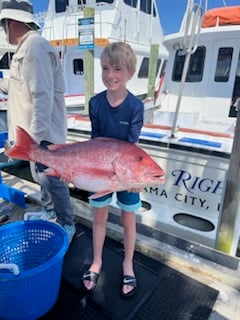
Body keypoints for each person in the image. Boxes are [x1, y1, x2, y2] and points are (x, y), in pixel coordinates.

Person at [0, 0, 76, 242]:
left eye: (3, 24)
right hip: (36, 134)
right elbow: (16, 86)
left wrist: (34, 139)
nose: (3, 29)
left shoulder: (35, 48)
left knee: (51, 178)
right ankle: (50, 211)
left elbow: (41, 96)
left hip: (42, 134)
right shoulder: (28, 48)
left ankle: (67, 223)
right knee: (42, 176)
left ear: (11, 22)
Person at [82, 42, 144, 298]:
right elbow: (94, 144)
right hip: (101, 171)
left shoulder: (136, 107)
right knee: (99, 218)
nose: (110, 75)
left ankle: (127, 262)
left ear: (130, 72)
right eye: (106, 68)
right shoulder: (95, 103)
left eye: (117, 69)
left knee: (129, 221)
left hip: (126, 172)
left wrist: (136, 178)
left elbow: (133, 146)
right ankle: (97, 260)